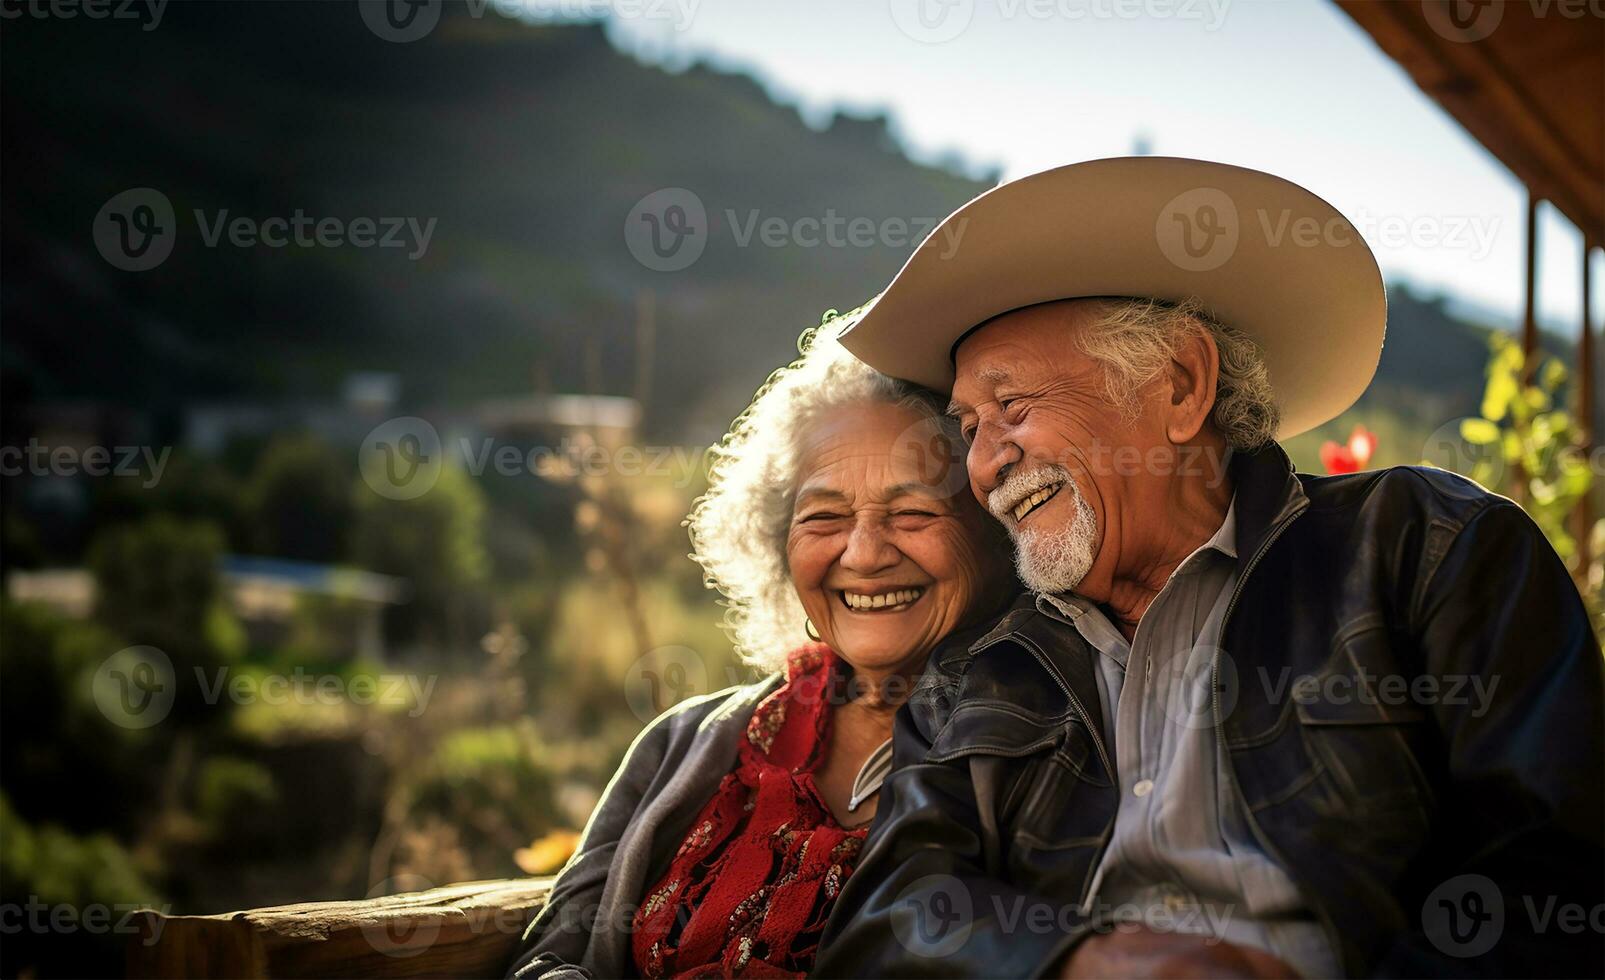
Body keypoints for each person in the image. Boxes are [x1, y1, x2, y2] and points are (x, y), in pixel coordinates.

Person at [814, 157, 1605, 978]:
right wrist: (1081, 964)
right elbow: (883, 918)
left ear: (1183, 386)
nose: (984, 464)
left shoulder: (1427, 547)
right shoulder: (976, 670)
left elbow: (1555, 879)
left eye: (1011, 408)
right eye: (969, 426)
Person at [507, 326, 1013, 978]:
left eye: (913, 513)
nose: (862, 555)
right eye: (823, 518)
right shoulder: (686, 741)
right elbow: (553, 954)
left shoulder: (1046, 752)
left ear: (997, 532)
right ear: (777, 542)